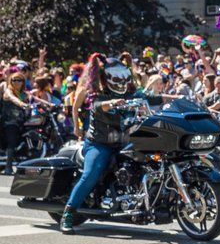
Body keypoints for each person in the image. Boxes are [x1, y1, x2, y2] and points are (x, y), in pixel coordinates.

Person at [60, 57, 178, 233]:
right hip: (99, 144)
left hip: (125, 142)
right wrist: (112, 103)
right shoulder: (98, 95)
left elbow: (153, 98)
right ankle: (68, 213)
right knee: (91, 173)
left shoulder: (130, 93)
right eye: (117, 79)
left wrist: (179, 98)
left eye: (124, 79)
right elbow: (98, 106)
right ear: (106, 78)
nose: (122, 83)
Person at [1, 72, 30, 174]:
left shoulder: (23, 94)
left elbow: (36, 99)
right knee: (12, 141)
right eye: (14, 80)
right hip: (9, 121)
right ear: (11, 81)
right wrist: (22, 104)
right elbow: (13, 99)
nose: (17, 82)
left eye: (19, 80)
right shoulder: (8, 91)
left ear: (23, 82)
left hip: (22, 121)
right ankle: (8, 167)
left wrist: (49, 104)